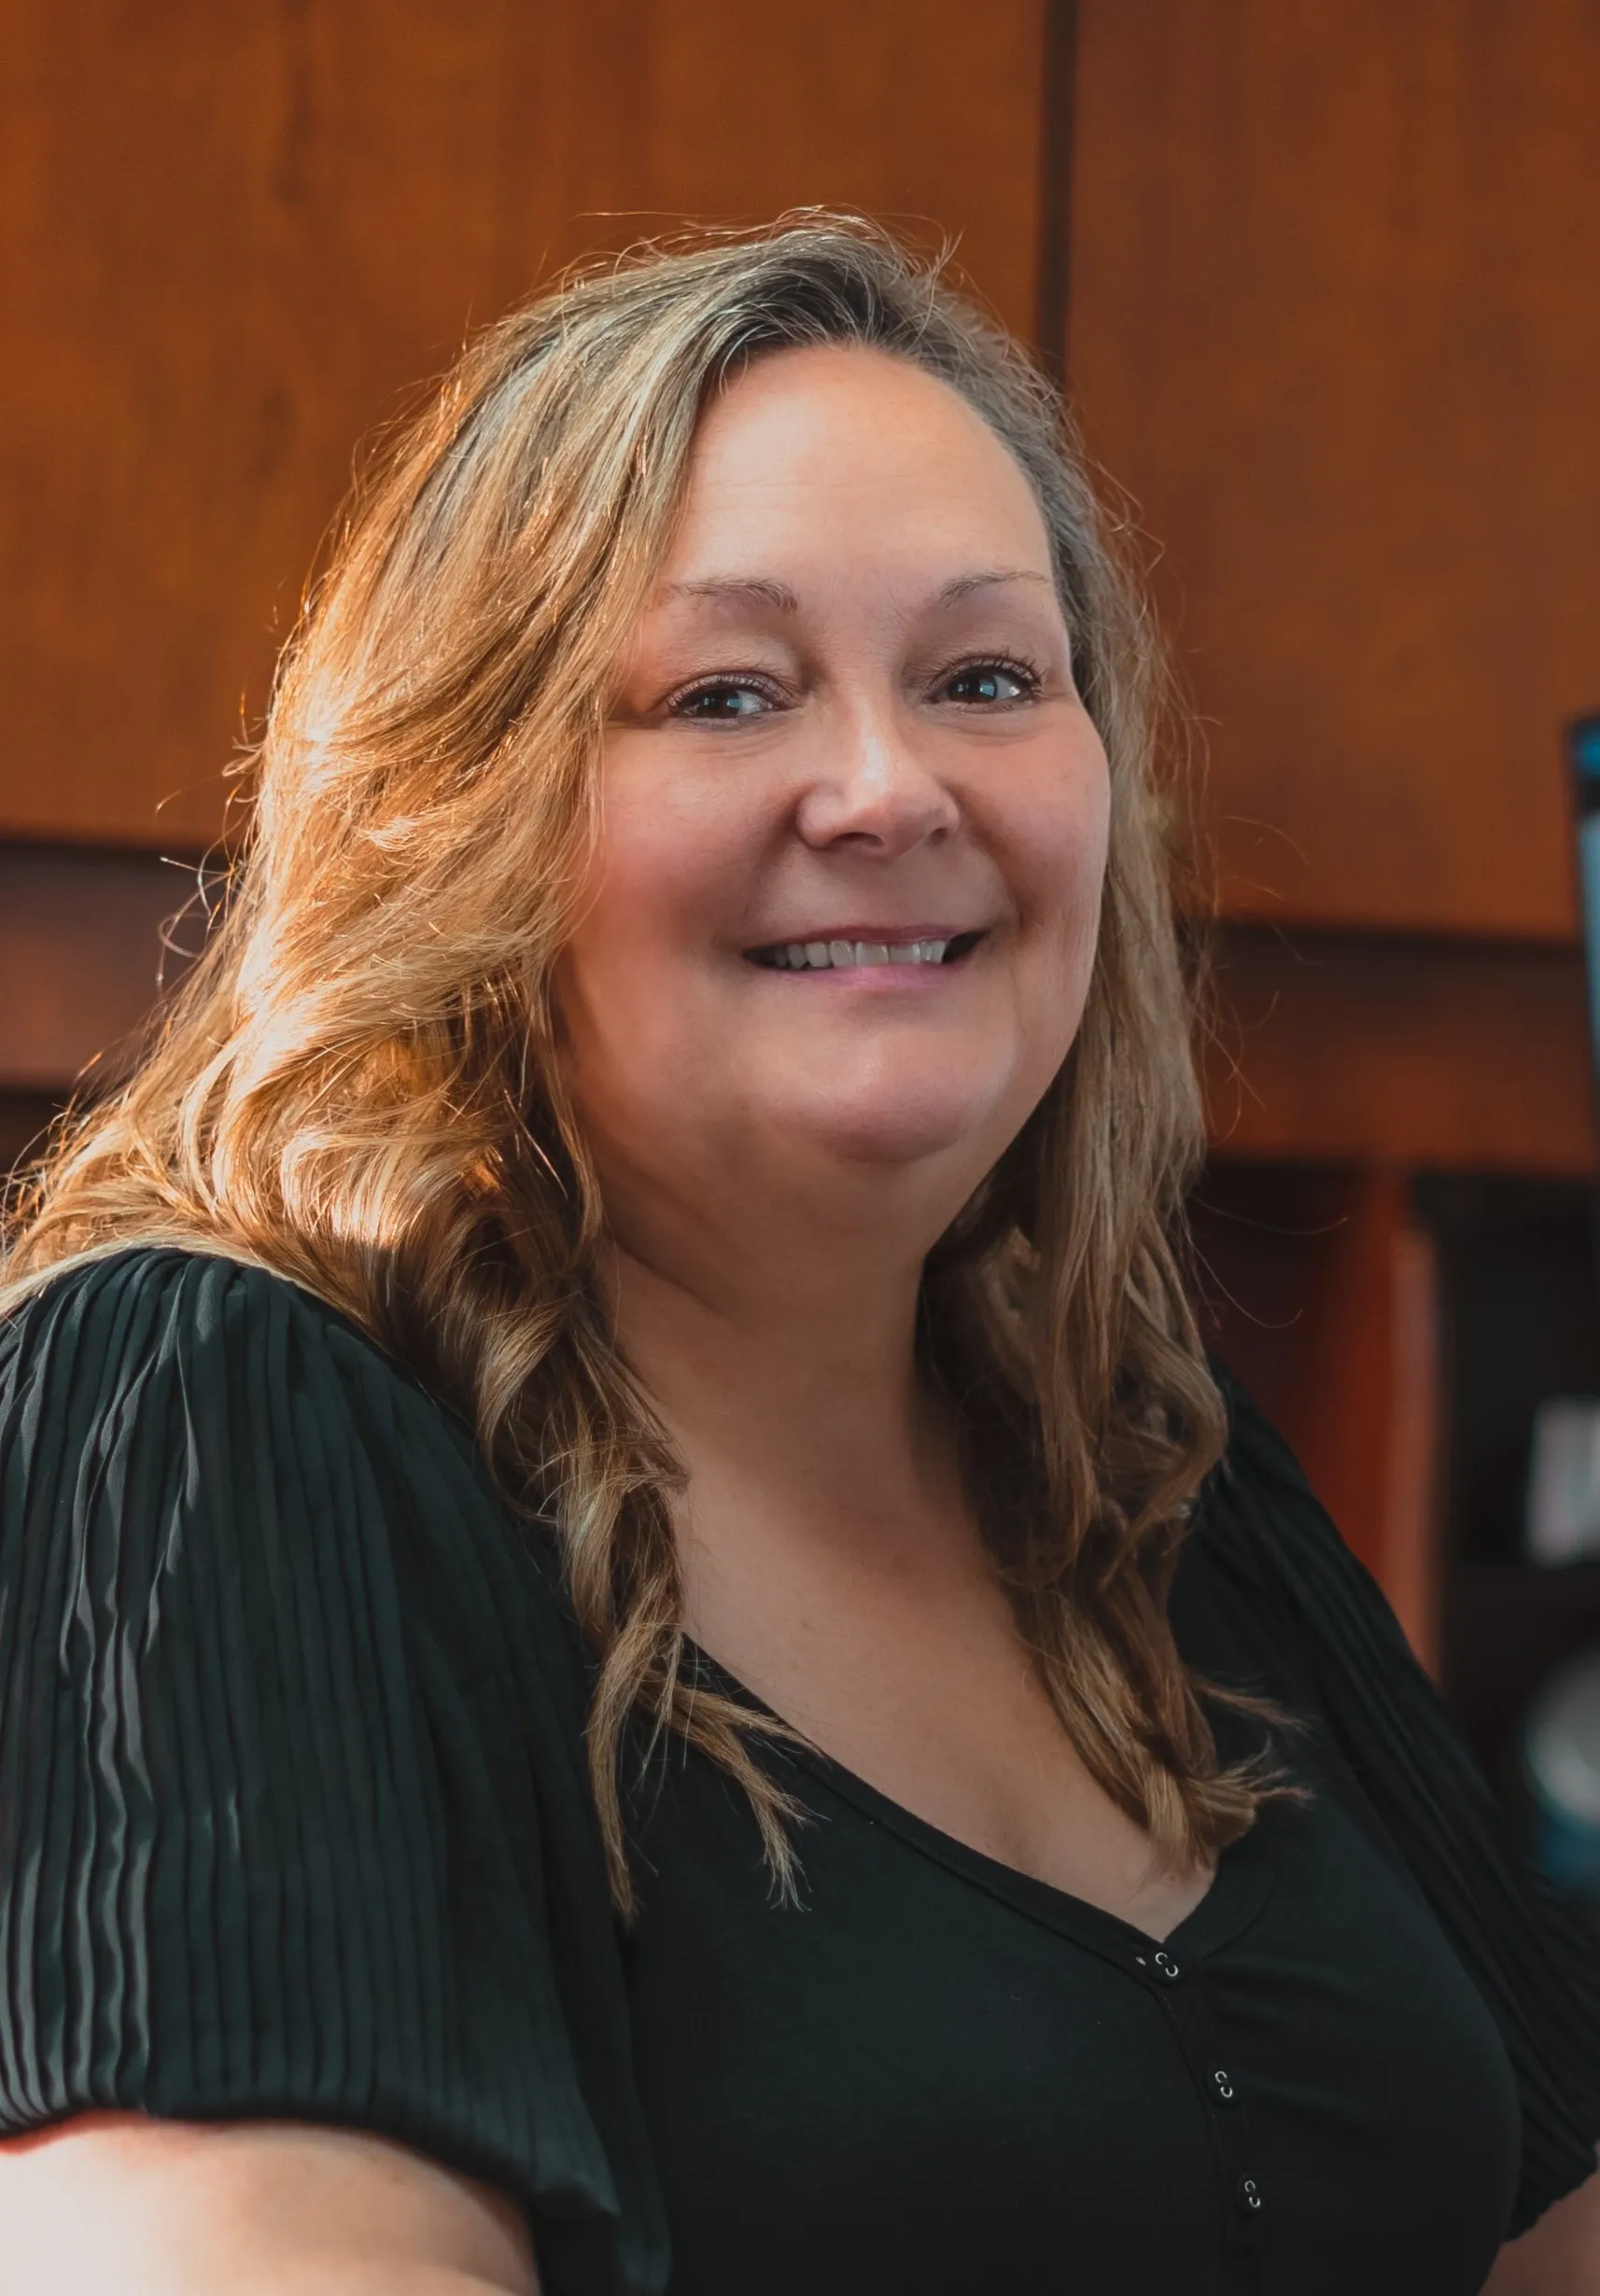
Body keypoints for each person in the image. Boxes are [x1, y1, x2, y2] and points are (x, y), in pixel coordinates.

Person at [0, 217, 1596, 2296]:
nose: (886, 783)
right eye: (726, 690)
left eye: (985, 678)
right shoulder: (199, 1419)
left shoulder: (1155, 1487)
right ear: (456, 811)